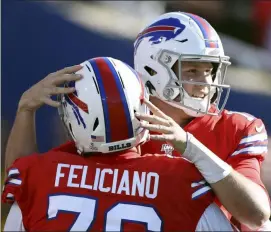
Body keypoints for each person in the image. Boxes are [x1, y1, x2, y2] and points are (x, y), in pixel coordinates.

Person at [2, 57, 235, 231]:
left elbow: (19, 188)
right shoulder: (183, 181)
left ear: (74, 119)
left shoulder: (38, 175)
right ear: (141, 110)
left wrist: (25, 109)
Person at [134, 12, 271, 231]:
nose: (206, 83)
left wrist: (190, 147)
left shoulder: (235, 127)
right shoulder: (125, 123)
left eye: (210, 71)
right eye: (192, 71)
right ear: (153, 71)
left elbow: (256, 214)